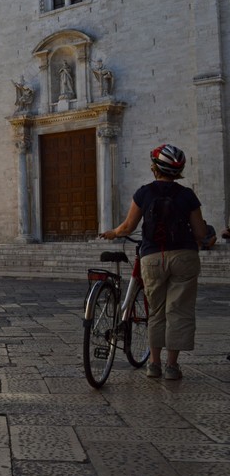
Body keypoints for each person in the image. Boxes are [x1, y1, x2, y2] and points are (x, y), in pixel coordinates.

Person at [100, 144, 206, 381]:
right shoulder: (187, 195)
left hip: (152, 257)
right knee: (179, 311)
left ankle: (154, 364)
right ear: (178, 171)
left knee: (156, 311)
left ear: (154, 168)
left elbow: (128, 227)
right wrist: (205, 238)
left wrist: (112, 233)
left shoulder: (144, 193)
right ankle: (172, 366)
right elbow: (200, 232)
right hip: (183, 257)